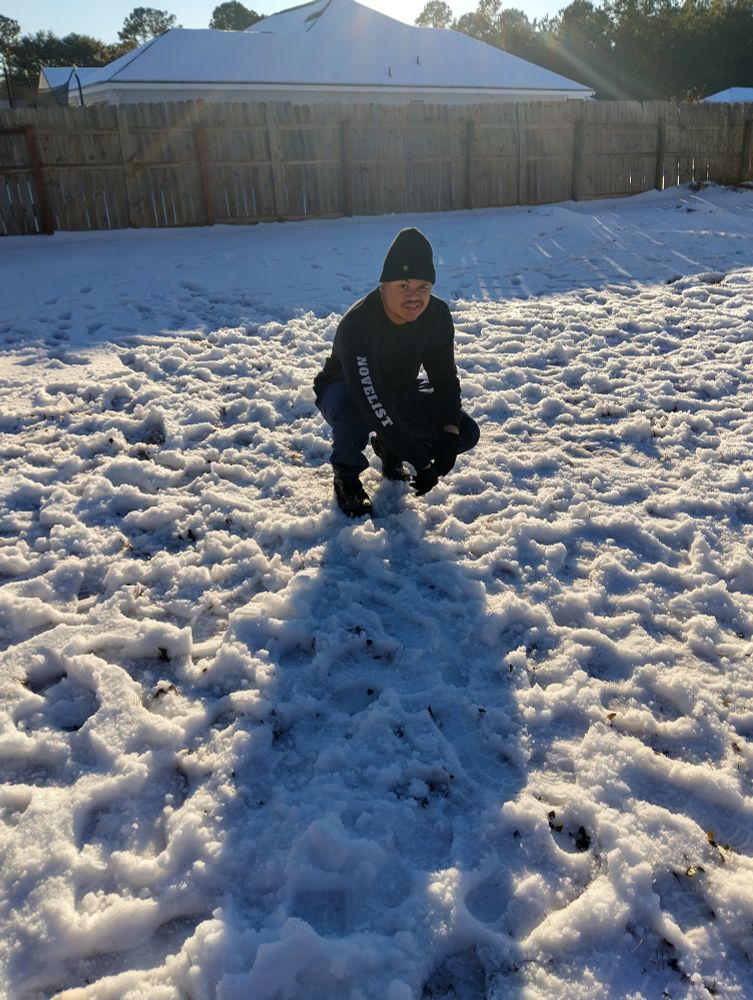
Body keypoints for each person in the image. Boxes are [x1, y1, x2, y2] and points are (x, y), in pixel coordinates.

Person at [313, 227, 480, 517]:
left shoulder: (437, 315)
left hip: (399, 388)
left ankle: (390, 449)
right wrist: (420, 461)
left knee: (465, 432)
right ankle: (346, 477)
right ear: (384, 286)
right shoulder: (360, 324)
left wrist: (450, 433)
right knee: (351, 410)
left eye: (423, 287)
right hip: (349, 390)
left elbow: (444, 377)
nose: (414, 296)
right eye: (404, 286)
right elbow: (371, 400)